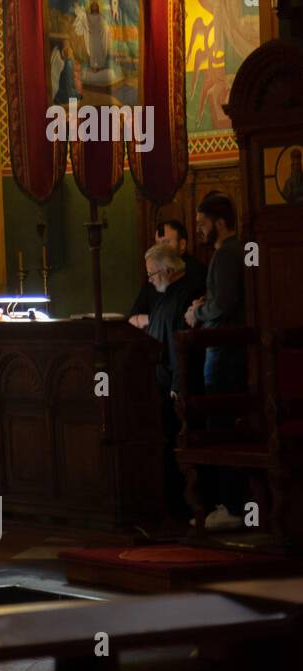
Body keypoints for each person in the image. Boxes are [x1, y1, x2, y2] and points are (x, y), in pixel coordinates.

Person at [184, 191, 246, 531]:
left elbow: (223, 304)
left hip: (222, 352)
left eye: (202, 223)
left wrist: (198, 312)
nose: (198, 230)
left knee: (220, 429)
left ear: (220, 224)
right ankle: (232, 504)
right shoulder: (234, 252)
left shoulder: (226, 254)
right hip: (226, 352)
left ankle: (231, 506)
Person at [142, 244, 202, 521]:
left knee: (179, 449)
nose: (151, 281)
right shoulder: (165, 296)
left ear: (167, 270)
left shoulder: (185, 295)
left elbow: (181, 348)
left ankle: (184, 508)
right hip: (162, 386)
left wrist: (178, 386)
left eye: (153, 275)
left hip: (177, 388)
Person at [128, 219, 207, 329]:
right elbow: (134, 315)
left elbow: (184, 319)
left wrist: (148, 319)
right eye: (157, 244)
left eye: (165, 243)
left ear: (182, 244)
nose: (160, 249)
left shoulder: (197, 272)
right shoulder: (154, 273)